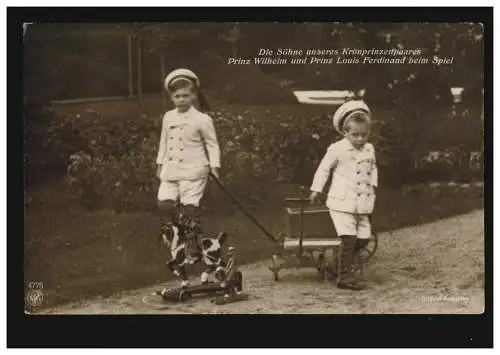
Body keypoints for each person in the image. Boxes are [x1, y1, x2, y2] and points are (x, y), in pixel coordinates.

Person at [309, 100, 378, 291]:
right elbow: (323, 170)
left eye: (364, 134)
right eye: (354, 134)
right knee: (349, 239)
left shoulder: (369, 149)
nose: (359, 139)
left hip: (362, 202)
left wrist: (373, 185)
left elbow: (373, 169)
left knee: (363, 239)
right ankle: (344, 277)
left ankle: (337, 265)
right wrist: (316, 189)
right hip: (342, 202)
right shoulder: (337, 149)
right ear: (344, 132)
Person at [156, 68, 221, 263]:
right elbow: (164, 142)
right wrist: (159, 164)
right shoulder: (168, 117)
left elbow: (212, 144)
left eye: (186, 95)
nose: (182, 99)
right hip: (171, 170)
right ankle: (174, 237)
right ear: (171, 97)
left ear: (193, 95)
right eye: (177, 96)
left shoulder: (202, 119)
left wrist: (215, 167)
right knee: (164, 204)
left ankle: (196, 245)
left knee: (190, 210)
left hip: (194, 170)